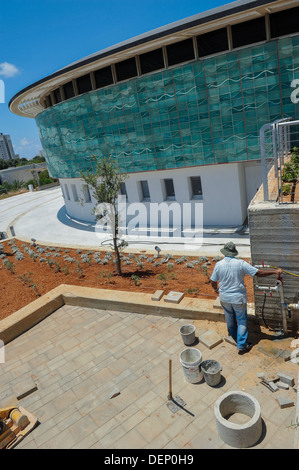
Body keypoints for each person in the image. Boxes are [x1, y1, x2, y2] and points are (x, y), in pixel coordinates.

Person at [210, 241, 282, 354]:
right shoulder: (241, 263)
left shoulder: (219, 264)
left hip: (224, 297)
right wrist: (275, 271)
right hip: (238, 298)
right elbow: (259, 273)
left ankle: (233, 336)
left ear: (224, 252)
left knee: (229, 317)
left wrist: (216, 289)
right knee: (242, 320)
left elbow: (213, 281)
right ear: (234, 253)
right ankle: (242, 344)